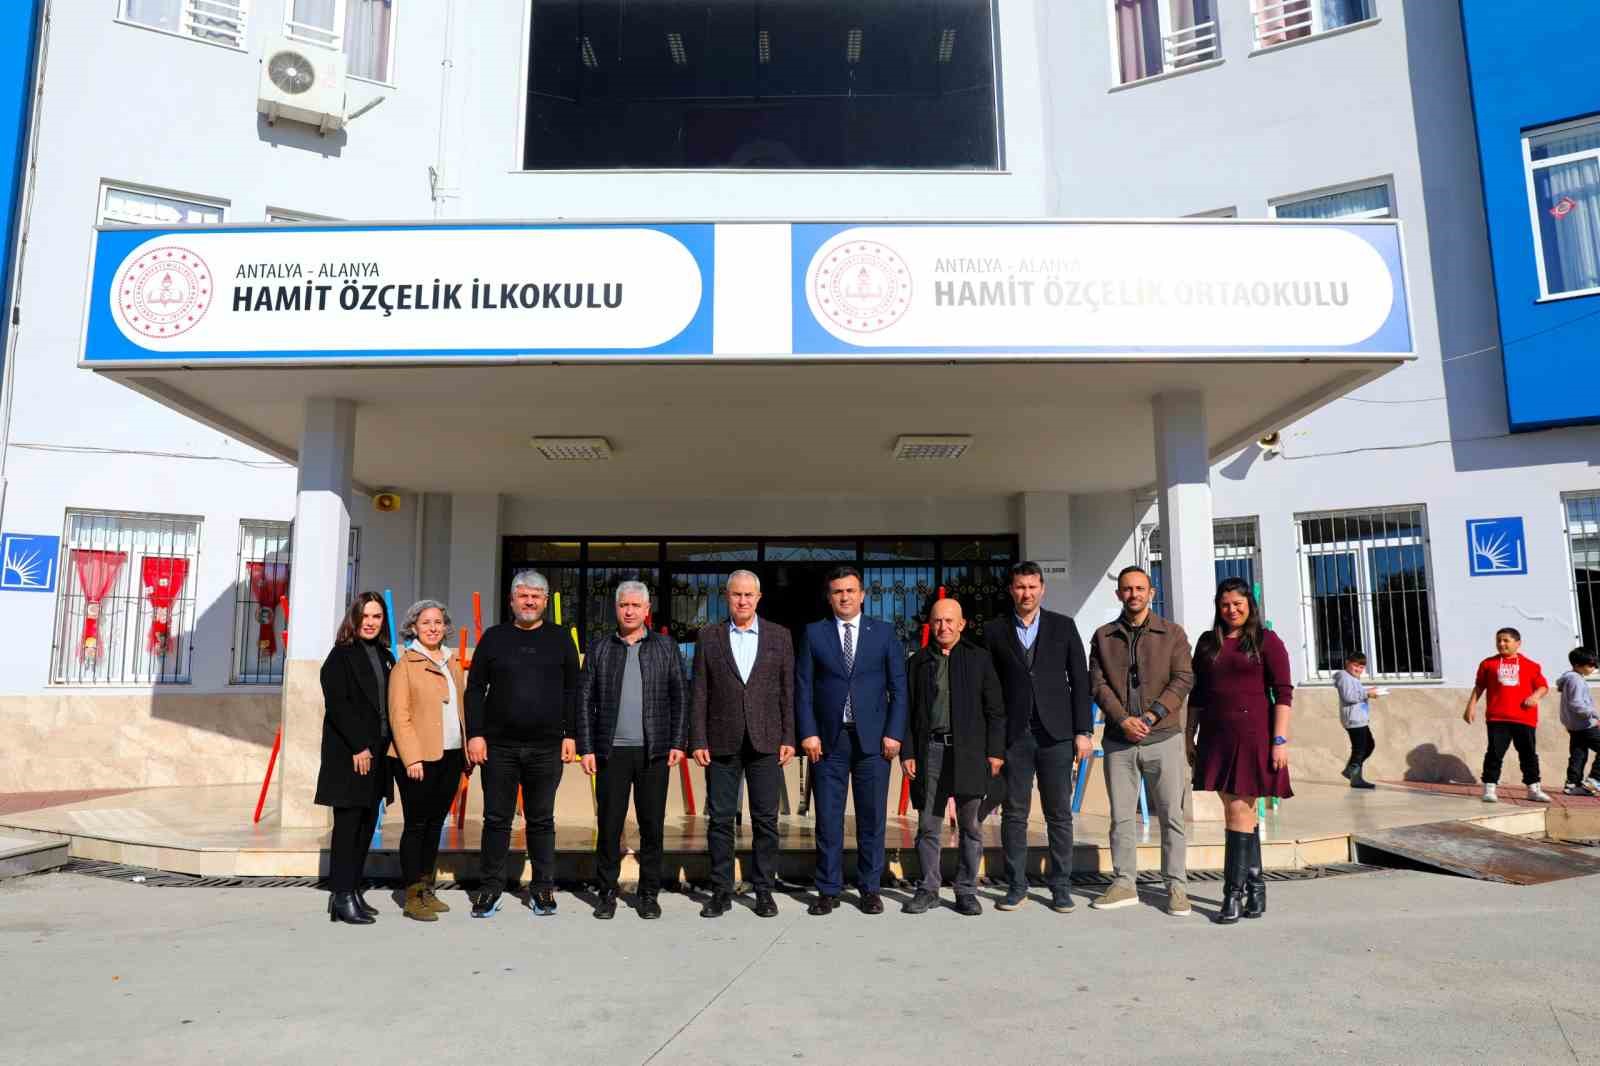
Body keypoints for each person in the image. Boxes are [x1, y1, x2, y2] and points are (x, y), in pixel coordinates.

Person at [465, 570, 580, 918]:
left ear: (545, 601)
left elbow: (573, 690)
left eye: (535, 596)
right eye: (523, 595)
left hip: (547, 747)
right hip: (499, 747)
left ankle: (543, 888)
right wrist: (475, 734)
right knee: (496, 819)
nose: (529, 602)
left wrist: (571, 734)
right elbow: (475, 689)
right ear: (512, 600)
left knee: (541, 820)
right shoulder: (494, 638)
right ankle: (490, 888)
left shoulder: (561, 639)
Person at [796, 566, 909, 916]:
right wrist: (808, 732)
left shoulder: (884, 633)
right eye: (837, 592)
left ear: (862, 595)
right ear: (829, 597)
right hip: (828, 742)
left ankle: (870, 888)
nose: (844, 597)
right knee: (828, 819)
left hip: (873, 742)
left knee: (872, 819)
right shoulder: (814, 633)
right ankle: (828, 889)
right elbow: (803, 688)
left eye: (850, 590)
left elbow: (899, 689)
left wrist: (894, 732)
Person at [983, 561, 1092, 914]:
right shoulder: (995, 630)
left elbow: (1080, 681)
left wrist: (1083, 731)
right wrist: (993, 741)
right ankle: (1016, 886)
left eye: (1032, 587)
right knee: (1014, 814)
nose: (1026, 593)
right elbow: (990, 688)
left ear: (1042, 589)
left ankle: (1061, 886)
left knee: (1058, 813)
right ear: (1011, 590)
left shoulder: (1063, 626)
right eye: (1020, 587)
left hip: (1056, 735)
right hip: (1014, 736)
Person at [1087, 566, 1194, 916]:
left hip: (1163, 737)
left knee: (1171, 814)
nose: (1133, 594)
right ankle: (1124, 883)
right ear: (1118, 594)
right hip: (1120, 741)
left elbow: (1183, 678)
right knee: (1121, 816)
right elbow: (1097, 684)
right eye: (1127, 589)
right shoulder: (1103, 636)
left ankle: (1176, 886)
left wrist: (1151, 716)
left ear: (1151, 593)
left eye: (1139, 588)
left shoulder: (1172, 634)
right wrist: (1123, 719)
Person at [578, 580, 687, 920]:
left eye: (635, 605)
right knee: (609, 825)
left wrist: (678, 742)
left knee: (652, 825)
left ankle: (649, 893)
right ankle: (607, 892)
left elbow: (680, 696)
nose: (629, 611)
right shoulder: (600, 648)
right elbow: (584, 699)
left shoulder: (665, 647)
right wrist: (586, 747)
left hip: (654, 752)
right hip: (611, 752)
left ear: (646, 610)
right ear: (616, 608)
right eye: (624, 605)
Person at [1187, 577, 1292, 925]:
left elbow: (1283, 693)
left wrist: (1279, 740)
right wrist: (1189, 734)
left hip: (1253, 737)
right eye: (1225, 604)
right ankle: (1256, 888)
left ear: (1250, 606)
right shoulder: (1208, 642)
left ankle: (1232, 895)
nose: (1231, 610)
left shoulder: (1267, 640)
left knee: (1237, 813)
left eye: (1238, 604)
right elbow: (1198, 694)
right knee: (1243, 816)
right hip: (1216, 736)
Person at [689, 570, 794, 919]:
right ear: (727, 597)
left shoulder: (780, 636)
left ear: (759, 598)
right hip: (721, 740)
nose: (743, 601)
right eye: (737, 595)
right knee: (720, 820)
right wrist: (698, 738)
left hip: (766, 741)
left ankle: (763, 890)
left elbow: (788, 691)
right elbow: (699, 691)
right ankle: (720, 891)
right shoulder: (709, 636)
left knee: (766, 820)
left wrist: (789, 736)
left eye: (749, 595)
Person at [902, 597, 1005, 917]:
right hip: (930, 751)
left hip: (970, 753)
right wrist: (908, 752)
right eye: (937, 621)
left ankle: (966, 890)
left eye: (949, 621)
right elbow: (907, 711)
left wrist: (995, 752)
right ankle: (928, 888)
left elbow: (995, 710)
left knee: (970, 826)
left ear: (962, 624)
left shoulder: (979, 658)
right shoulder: (918, 662)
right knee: (928, 825)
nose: (943, 627)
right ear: (930, 625)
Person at [314, 592, 394, 926]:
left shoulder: (385, 655)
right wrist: (359, 746)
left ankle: (353, 889)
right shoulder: (341, 655)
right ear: (354, 618)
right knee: (348, 827)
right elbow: (339, 705)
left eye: (377, 616)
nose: (370, 622)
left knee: (365, 826)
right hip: (352, 755)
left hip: (378, 754)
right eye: (365, 616)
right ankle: (342, 894)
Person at [388, 599, 468, 922]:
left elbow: (460, 709)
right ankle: (412, 895)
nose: (433, 628)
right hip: (418, 758)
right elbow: (399, 716)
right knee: (417, 825)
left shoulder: (452, 662)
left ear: (445, 627)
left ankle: (426, 887)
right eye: (426, 623)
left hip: (450, 755)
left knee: (436, 824)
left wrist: (466, 751)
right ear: (413, 628)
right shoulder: (405, 665)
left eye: (438, 622)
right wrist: (411, 758)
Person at [1464, 627, 1551, 804]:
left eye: (1506, 640)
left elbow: (1543, 686)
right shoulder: (1488, 664)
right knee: (1494, 753)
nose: (1501, 644)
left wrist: (1535, 696)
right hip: (1497, 718)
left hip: (1524, 718)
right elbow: (1479, 686)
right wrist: (1470, 706)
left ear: (1518, 643)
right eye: (1498, 641)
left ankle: (1533, 789)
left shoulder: (1531, 665)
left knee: (1528, 754)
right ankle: (1489, 788)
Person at [1334, 652, 1381, 791]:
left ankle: (1355, 777)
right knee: (1360, 748)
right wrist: (1367, 693)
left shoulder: (1352, 678)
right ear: (1347, 663)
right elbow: (1348, 696)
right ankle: (1351, 771)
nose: (1358, 669)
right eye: (1355, 665)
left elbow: (1355, 693)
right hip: (1353, 719)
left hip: (1359, 719)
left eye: (1361, 667)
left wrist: (1369, 692)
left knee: (1368, 745)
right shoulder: (1344, 677)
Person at [1558, 648, 1600, 796]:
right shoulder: (1576, 680)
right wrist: (1594, 715)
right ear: (1577, 665)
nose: (1594, 668)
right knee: (1579, 753)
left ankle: (1572, 784)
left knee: (1579, 753)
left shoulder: (1570, 679)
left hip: (1575, 726)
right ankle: (1594, 781)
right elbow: (1576, 704)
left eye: (1595, 665)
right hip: (1585, 725)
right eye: (1591, 665)